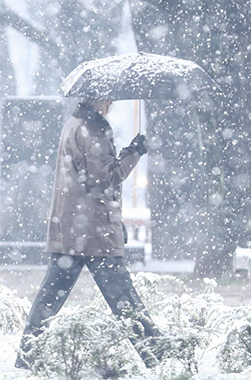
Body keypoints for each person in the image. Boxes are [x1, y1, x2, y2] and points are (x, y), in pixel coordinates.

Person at [15, 98, 160, 369]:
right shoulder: (92, 130)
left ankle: (28, 353)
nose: (112, 103)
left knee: (51, 294)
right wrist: (134, 152)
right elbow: (105, 179)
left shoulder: (74, 124)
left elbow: (88, 181)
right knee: (123, 298)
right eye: (109, 99)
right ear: (99, 99)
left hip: (72, 228)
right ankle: (157, 354)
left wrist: (115, 218)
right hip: (93, 232)